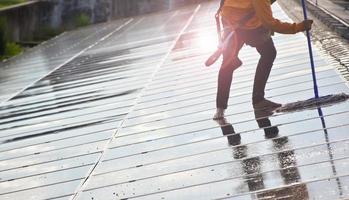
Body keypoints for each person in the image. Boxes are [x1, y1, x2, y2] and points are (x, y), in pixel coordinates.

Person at [214, 0, 313, 119]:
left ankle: (220, 110)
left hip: (229, 20)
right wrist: (298, 27)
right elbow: (269, 23)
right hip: (247, 26)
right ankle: (258, 100)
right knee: (269, 53)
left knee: (227, 64)